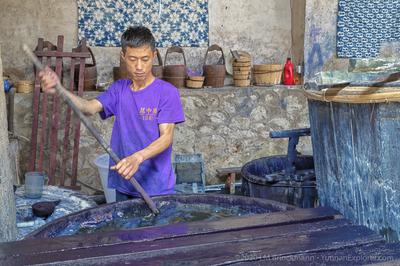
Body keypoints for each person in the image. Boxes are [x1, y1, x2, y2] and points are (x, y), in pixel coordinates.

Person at [39, 26, 185, 201]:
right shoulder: (119, 90)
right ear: (123, 57)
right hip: (124, 183)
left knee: (157, 229)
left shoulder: (166, 92)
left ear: (154, 56)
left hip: (156, 188)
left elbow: (166, 138)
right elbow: (88, 108)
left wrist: (137, 157)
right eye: (132, 59)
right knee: (124, 228)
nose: (139, 66)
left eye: (145, 59)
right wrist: (59, 89)